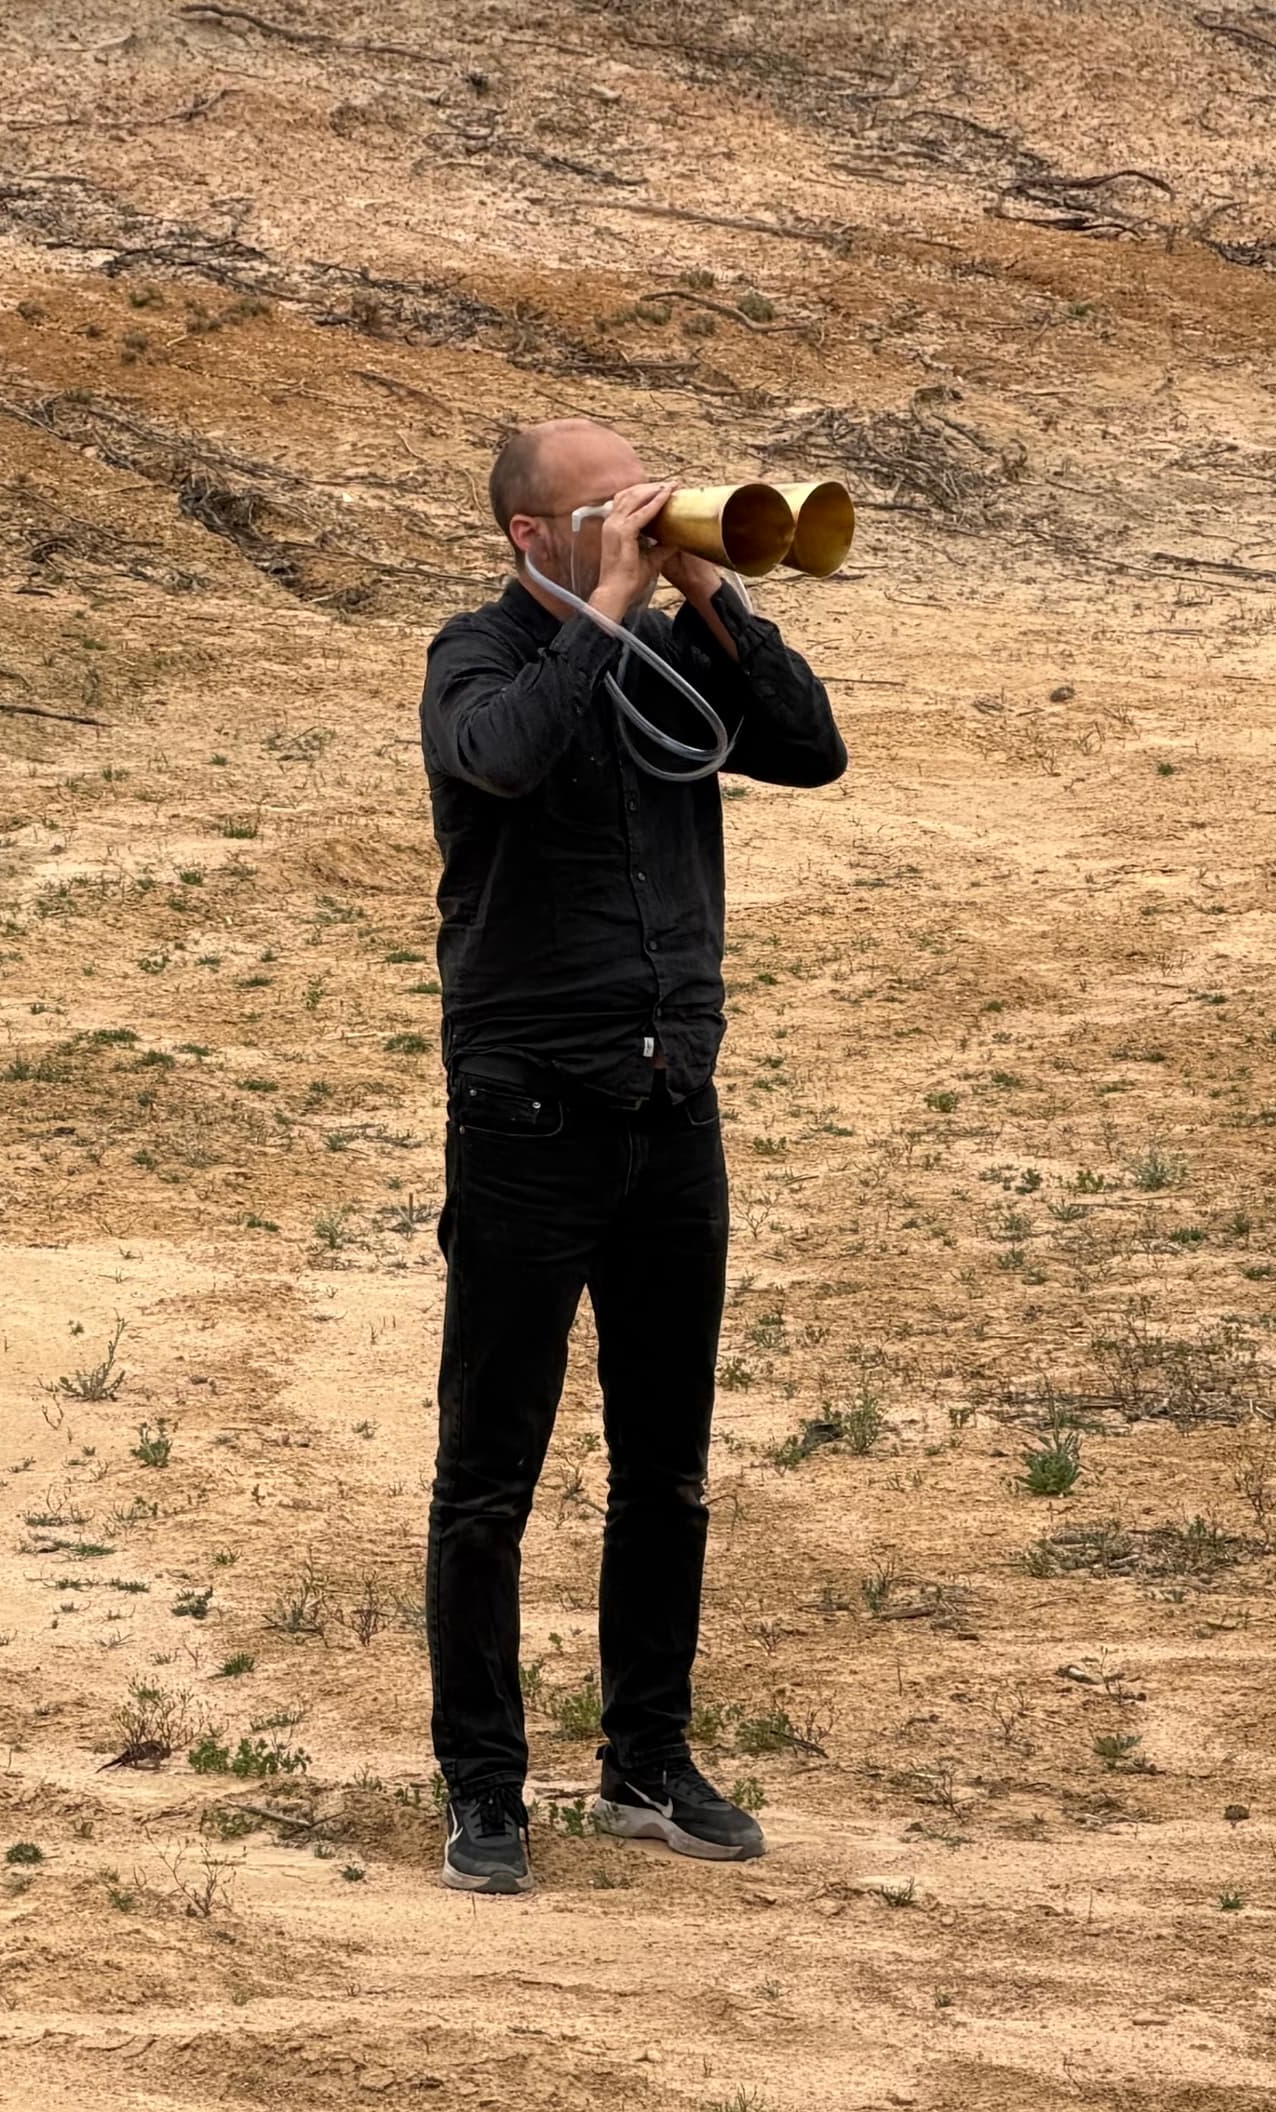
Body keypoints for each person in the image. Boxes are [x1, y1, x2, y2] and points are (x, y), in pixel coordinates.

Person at [413, 419, 849, 1896]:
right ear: (534, 535)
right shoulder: (474, 658)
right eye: (610, 506)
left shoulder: (678, 662)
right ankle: (484, 1787)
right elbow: (508, 762)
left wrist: (709, 592)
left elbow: (810, 747)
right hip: (530, 1119)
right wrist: (603, 612)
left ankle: (647, 1764)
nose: (645, 519)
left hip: (671, 1114)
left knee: (665, 1472)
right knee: (490, 1479)